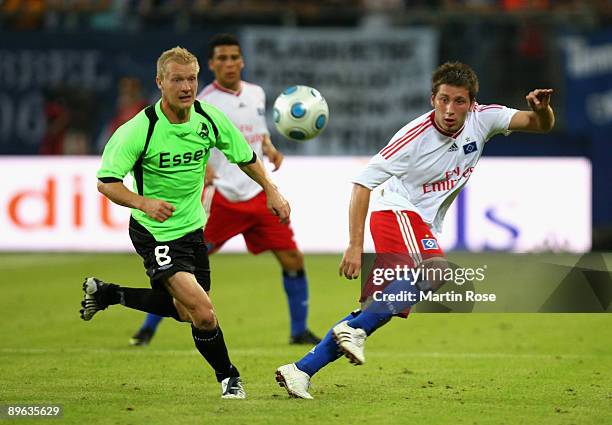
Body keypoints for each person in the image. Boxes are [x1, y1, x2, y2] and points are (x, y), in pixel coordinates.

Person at [275, 61, 555, 399]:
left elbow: (540, 126)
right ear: (432, 99)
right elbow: (362, 184)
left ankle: (301, 370)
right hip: (396, 212)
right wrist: (354, 245)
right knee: (435, 271)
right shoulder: (413, 138)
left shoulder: (485, 118)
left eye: (459, 102)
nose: (450, 110)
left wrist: (543, 111)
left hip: (418, 221)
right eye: (443, 100)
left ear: (472, 103)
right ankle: (353, 331)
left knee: (375, 312)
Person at [79, 46, 291, 399]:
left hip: (193, 228)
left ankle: (108, 294)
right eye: (177, 79)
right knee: (204, 313)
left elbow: (245, 156)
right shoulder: (139, 130)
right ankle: (230, 378)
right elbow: (107, 182)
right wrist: (143, 202)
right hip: (154, 233)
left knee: (184, 311)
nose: (186, 86)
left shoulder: (208, 119)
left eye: (191, 78)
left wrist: (271, 189)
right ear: (160, 82)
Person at [130, 33, 321, 347]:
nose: (229, 64)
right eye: (222, 58)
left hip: (257, 196)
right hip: (221, 197)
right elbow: (187, 139)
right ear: (211, 64)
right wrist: (203, 166)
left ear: (242, 61)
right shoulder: (202, 100)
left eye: (234, 57)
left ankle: (299, 330)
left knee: (292, 259)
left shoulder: (257, 94)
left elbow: (255, 133)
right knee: (180, 267)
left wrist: (269, 147)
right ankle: (148, 327)